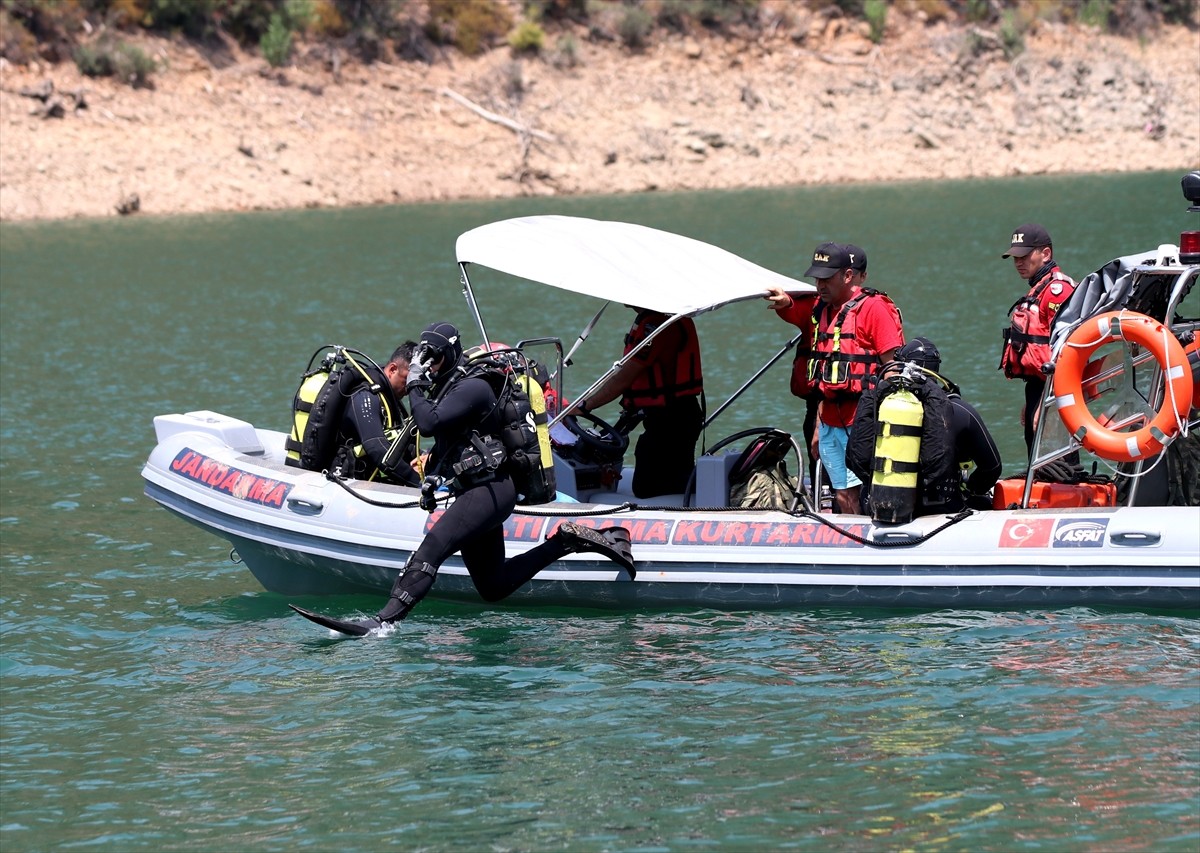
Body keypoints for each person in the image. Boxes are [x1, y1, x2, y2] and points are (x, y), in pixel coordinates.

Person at [295, 322, 635, 635]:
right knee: (493, 586)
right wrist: (431, 481)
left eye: (433, 359)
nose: (429, 367)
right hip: (476, 490)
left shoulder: (474, 387)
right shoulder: (450, 391)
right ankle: (566, 541)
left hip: (491, 491)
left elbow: (427, 423)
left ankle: (382, 623)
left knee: (432, 547)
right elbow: (450, 447)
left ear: (449, 356)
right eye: (424, 361)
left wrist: (413, 384)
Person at [766, 242, 904, 514]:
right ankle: (853, 542)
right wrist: (819, 424)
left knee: (869, 490)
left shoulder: (875, 308)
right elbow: (823, 380)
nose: (820, 284)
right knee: (842, 492)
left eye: (827, 278)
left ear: (848, 275)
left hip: (864, 418)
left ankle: (876, 542)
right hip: (829, 418)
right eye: (817, 278)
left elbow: (894, 369)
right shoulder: (821, 309)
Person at [847, 337, 1003, 517]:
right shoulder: (960, 411)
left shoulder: (879, 405)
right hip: (941, 508)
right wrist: (969, 490)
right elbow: (992, 468)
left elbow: (852, 458)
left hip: (881, 506)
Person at [565, 306, 704, 498]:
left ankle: (706, 500)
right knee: (665, 469)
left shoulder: (657, 326)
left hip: (673, 419)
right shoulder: (656, 320)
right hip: (671, 415)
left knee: (647, 486)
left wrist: (584, 406)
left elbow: (625, 376)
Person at [999, 223, 1078, 458]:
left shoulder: (1057, 291)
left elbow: (1066, 353)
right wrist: (1033, 401)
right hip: (1039, 387)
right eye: (1015, 257)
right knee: (1038, 459)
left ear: (1046, 254)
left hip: (1056, 391)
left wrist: (1047, 404)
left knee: (1058, 464)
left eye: (1024, 256)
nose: (1018, 263)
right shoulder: (1038, 290)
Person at [335, 342, 422, 487]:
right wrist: (419, 483)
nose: (410, 388)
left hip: (367, 478)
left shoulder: (388, 397)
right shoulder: (365, 396)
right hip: (345, 480)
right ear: (393, 369)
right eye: (408, 380)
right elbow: (377, 449)